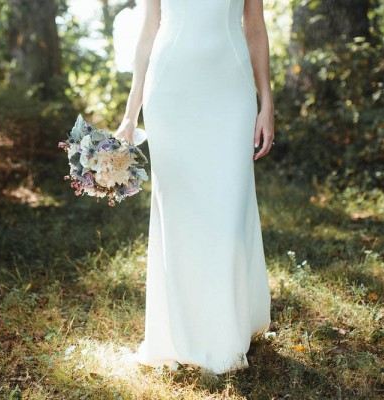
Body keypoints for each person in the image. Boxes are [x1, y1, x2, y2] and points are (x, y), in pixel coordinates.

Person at [115, 0, 274, 374]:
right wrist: (129, 114)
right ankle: (176, 334)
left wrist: (267, 103)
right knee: (180, 216)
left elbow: (254, 27)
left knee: (229, 208)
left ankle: (226, 331)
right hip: (171, 90)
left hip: (230, 90)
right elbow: (149, 28)